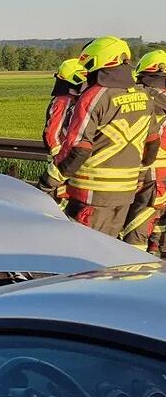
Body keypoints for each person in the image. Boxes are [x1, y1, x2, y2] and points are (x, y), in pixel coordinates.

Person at [54, 36, 160, 237]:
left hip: (91, 194)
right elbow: (152, 145)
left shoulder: (93, 97)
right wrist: (137, 176)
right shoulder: (143, 96)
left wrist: (49, 181)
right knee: (110, 253)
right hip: (125, 194)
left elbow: (78, 149)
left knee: (84, 253)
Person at [126, 50, 166, 254]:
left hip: (150, 172)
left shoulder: (143, 98)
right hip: (162, 177)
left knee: (137, 226)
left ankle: (135, 271)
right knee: (158, 224)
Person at [37, 59, 88, 203]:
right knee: (60, 200)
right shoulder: (63, 101)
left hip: (73, 160)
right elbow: (51, 133)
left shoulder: (79, 100)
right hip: (63, 162)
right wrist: (60, 158)